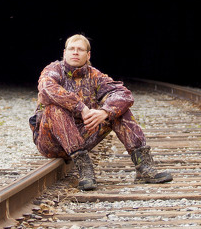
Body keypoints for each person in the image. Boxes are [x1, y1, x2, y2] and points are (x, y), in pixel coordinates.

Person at [29, 34, 172, 191]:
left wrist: (105, 112)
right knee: (54, 108)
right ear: (64, 53)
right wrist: (81, 108)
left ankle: (144, 167)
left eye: (80, 49)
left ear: (88, 55)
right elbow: (46, 88)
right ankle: (85, 170)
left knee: (117, 109)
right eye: (71, 49)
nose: (75, 52)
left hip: (82, 136)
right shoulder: (53, 70)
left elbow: (124, 94)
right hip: (51, 142)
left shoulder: (95, 76)